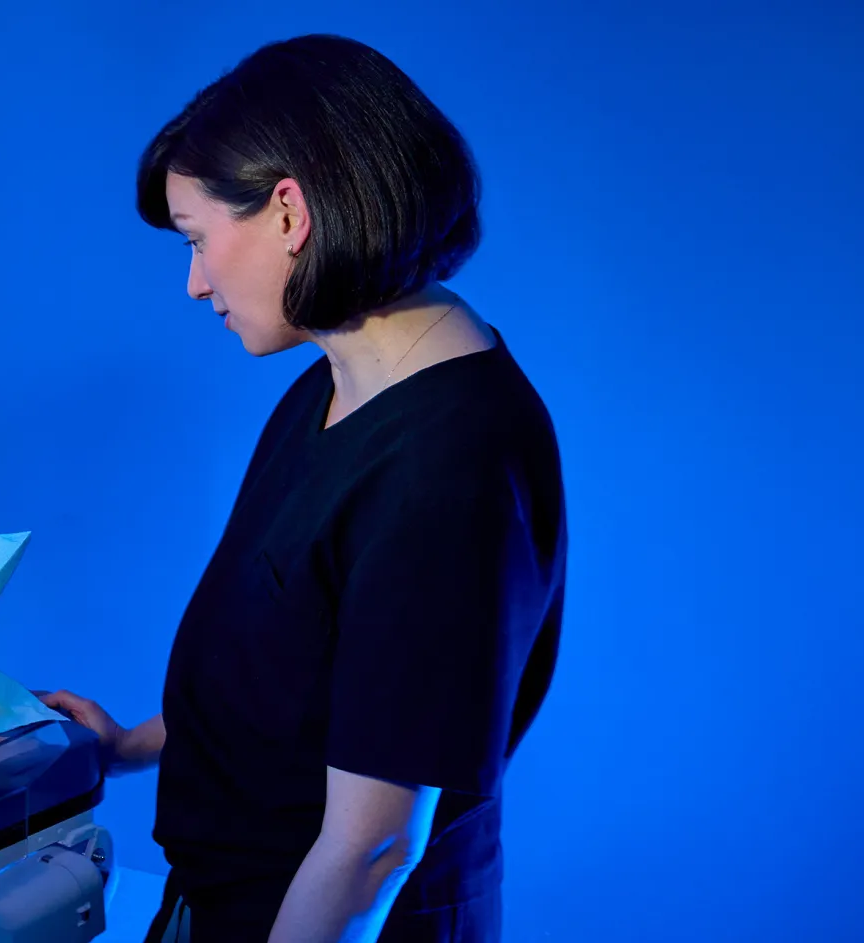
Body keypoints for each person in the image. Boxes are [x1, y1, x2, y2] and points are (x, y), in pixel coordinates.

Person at [43, 35, 567, 943]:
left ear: (289, 211)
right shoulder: (334, 380)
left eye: (200, 240)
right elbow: (303, 670)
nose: (197, 282)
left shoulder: (449, 468)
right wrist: (129, 745)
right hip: (222, 897)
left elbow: (371, 851)